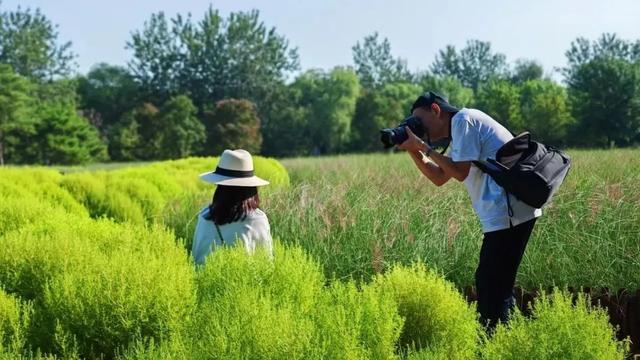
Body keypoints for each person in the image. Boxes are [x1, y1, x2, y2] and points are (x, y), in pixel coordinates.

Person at [398, 91, 541, 330]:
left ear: (436, 110)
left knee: (489, 284)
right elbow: (440, 177)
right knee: (496, 285)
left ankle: (495, 342)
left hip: (508, 212)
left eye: (420, 121)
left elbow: (460, 172)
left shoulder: (464, 121)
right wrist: (413, 150)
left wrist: (422, 146)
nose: (419, 128)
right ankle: (515, 340)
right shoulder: (461, 130)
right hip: (508, 213)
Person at [192, 149, 273, 265]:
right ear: (251, 188)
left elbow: (196, 260)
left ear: (220, 187)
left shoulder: (205, 217)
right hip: (245, 283)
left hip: (207, 281)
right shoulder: (258, 219)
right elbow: (267, 263)